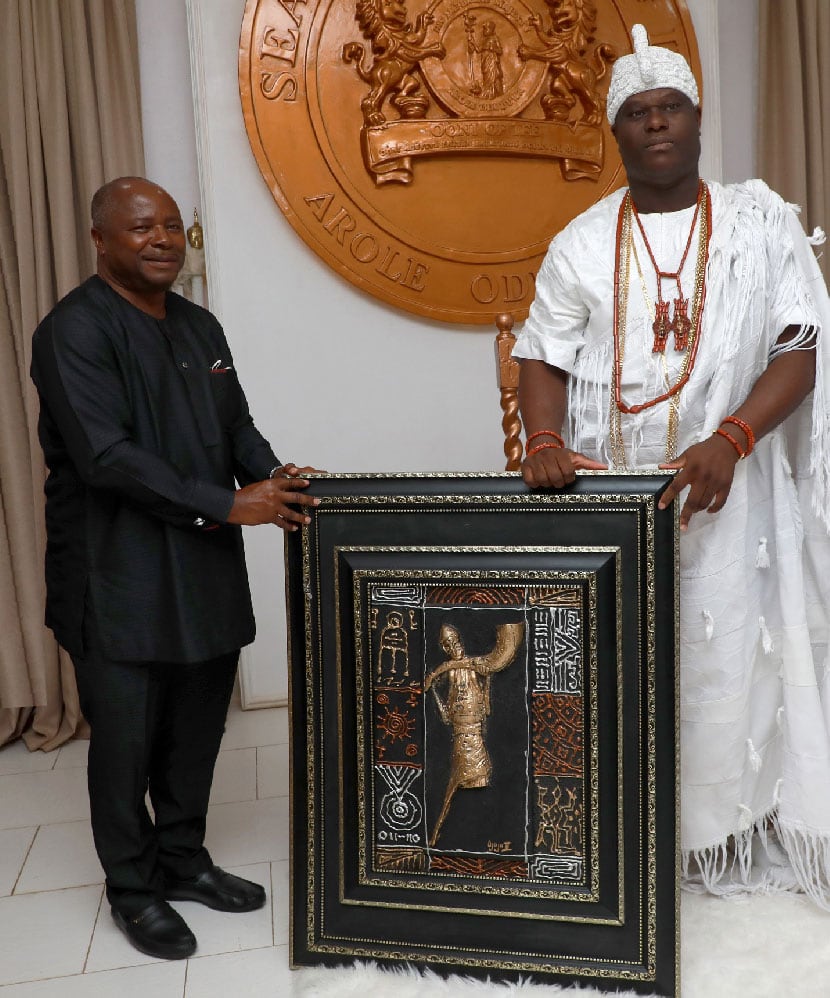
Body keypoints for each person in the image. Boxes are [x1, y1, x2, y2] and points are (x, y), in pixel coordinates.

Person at [513, 25, 830, 907]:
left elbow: (800, 347)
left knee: (732, 653)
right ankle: (636, 829)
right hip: (616, 495)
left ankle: (729, 829)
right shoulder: (579, 242)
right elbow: (541, 353)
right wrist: (543, 442)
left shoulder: (760, 221)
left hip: (736, 483)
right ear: (615, 134)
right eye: (637, 113)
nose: (656, 125)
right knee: (627, 663)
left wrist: (732, 440)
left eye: (671, 108)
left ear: (697, 120)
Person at [30, 177, 319, 959]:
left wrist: (282, 484)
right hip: (115, 572)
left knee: (196, 731)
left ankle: (184, 861)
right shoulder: (72, 332)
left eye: (170, 226)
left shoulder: (200, 324)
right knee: (125, 744)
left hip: (202, 568)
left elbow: (237, 430)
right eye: (139, 228)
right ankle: (132, 889)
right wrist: (231, 506)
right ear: (100, 240)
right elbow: (107, 459)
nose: (161, 239)